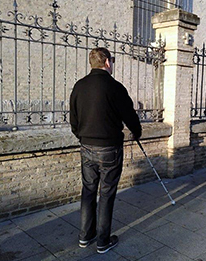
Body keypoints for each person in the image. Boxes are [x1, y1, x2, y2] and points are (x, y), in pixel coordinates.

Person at [69, 47, 142, 254]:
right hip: (109, 148)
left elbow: (73, 119)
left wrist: (82, 136)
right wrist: (136, 132)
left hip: (87, 147)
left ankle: (85, 236)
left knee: (88, 190)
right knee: (107, 193)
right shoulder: (115, 87)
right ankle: (102, 241)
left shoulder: (79, 86)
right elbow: (130, 115)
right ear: (107, 62)